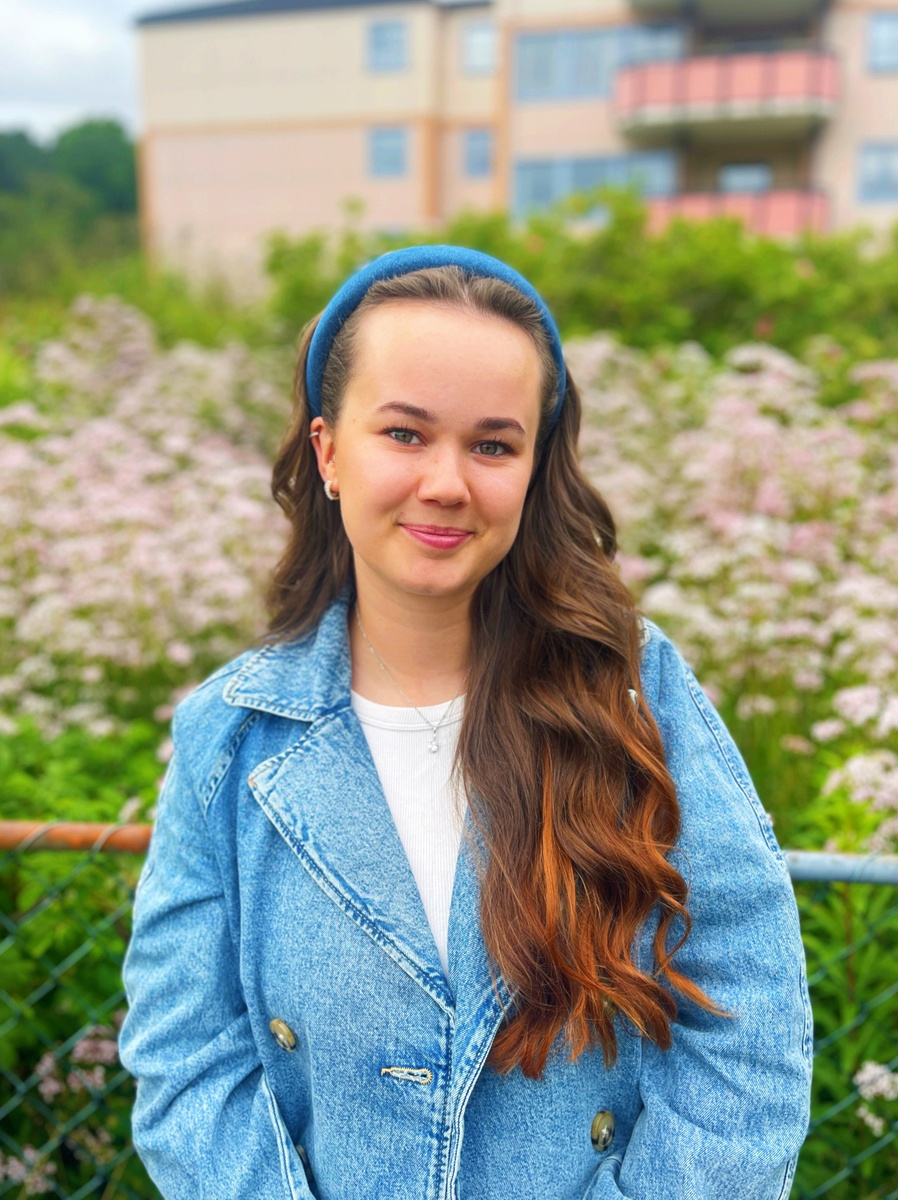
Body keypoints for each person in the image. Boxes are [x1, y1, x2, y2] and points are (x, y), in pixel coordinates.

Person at [119, 245, 813, 1200]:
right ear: (328, 451)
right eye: (405, 434)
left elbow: (749, 1023)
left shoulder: (631, 691)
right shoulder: (232, 734)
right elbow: (187, 1063)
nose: (447, 483)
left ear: (534, 470)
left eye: (493, 446)